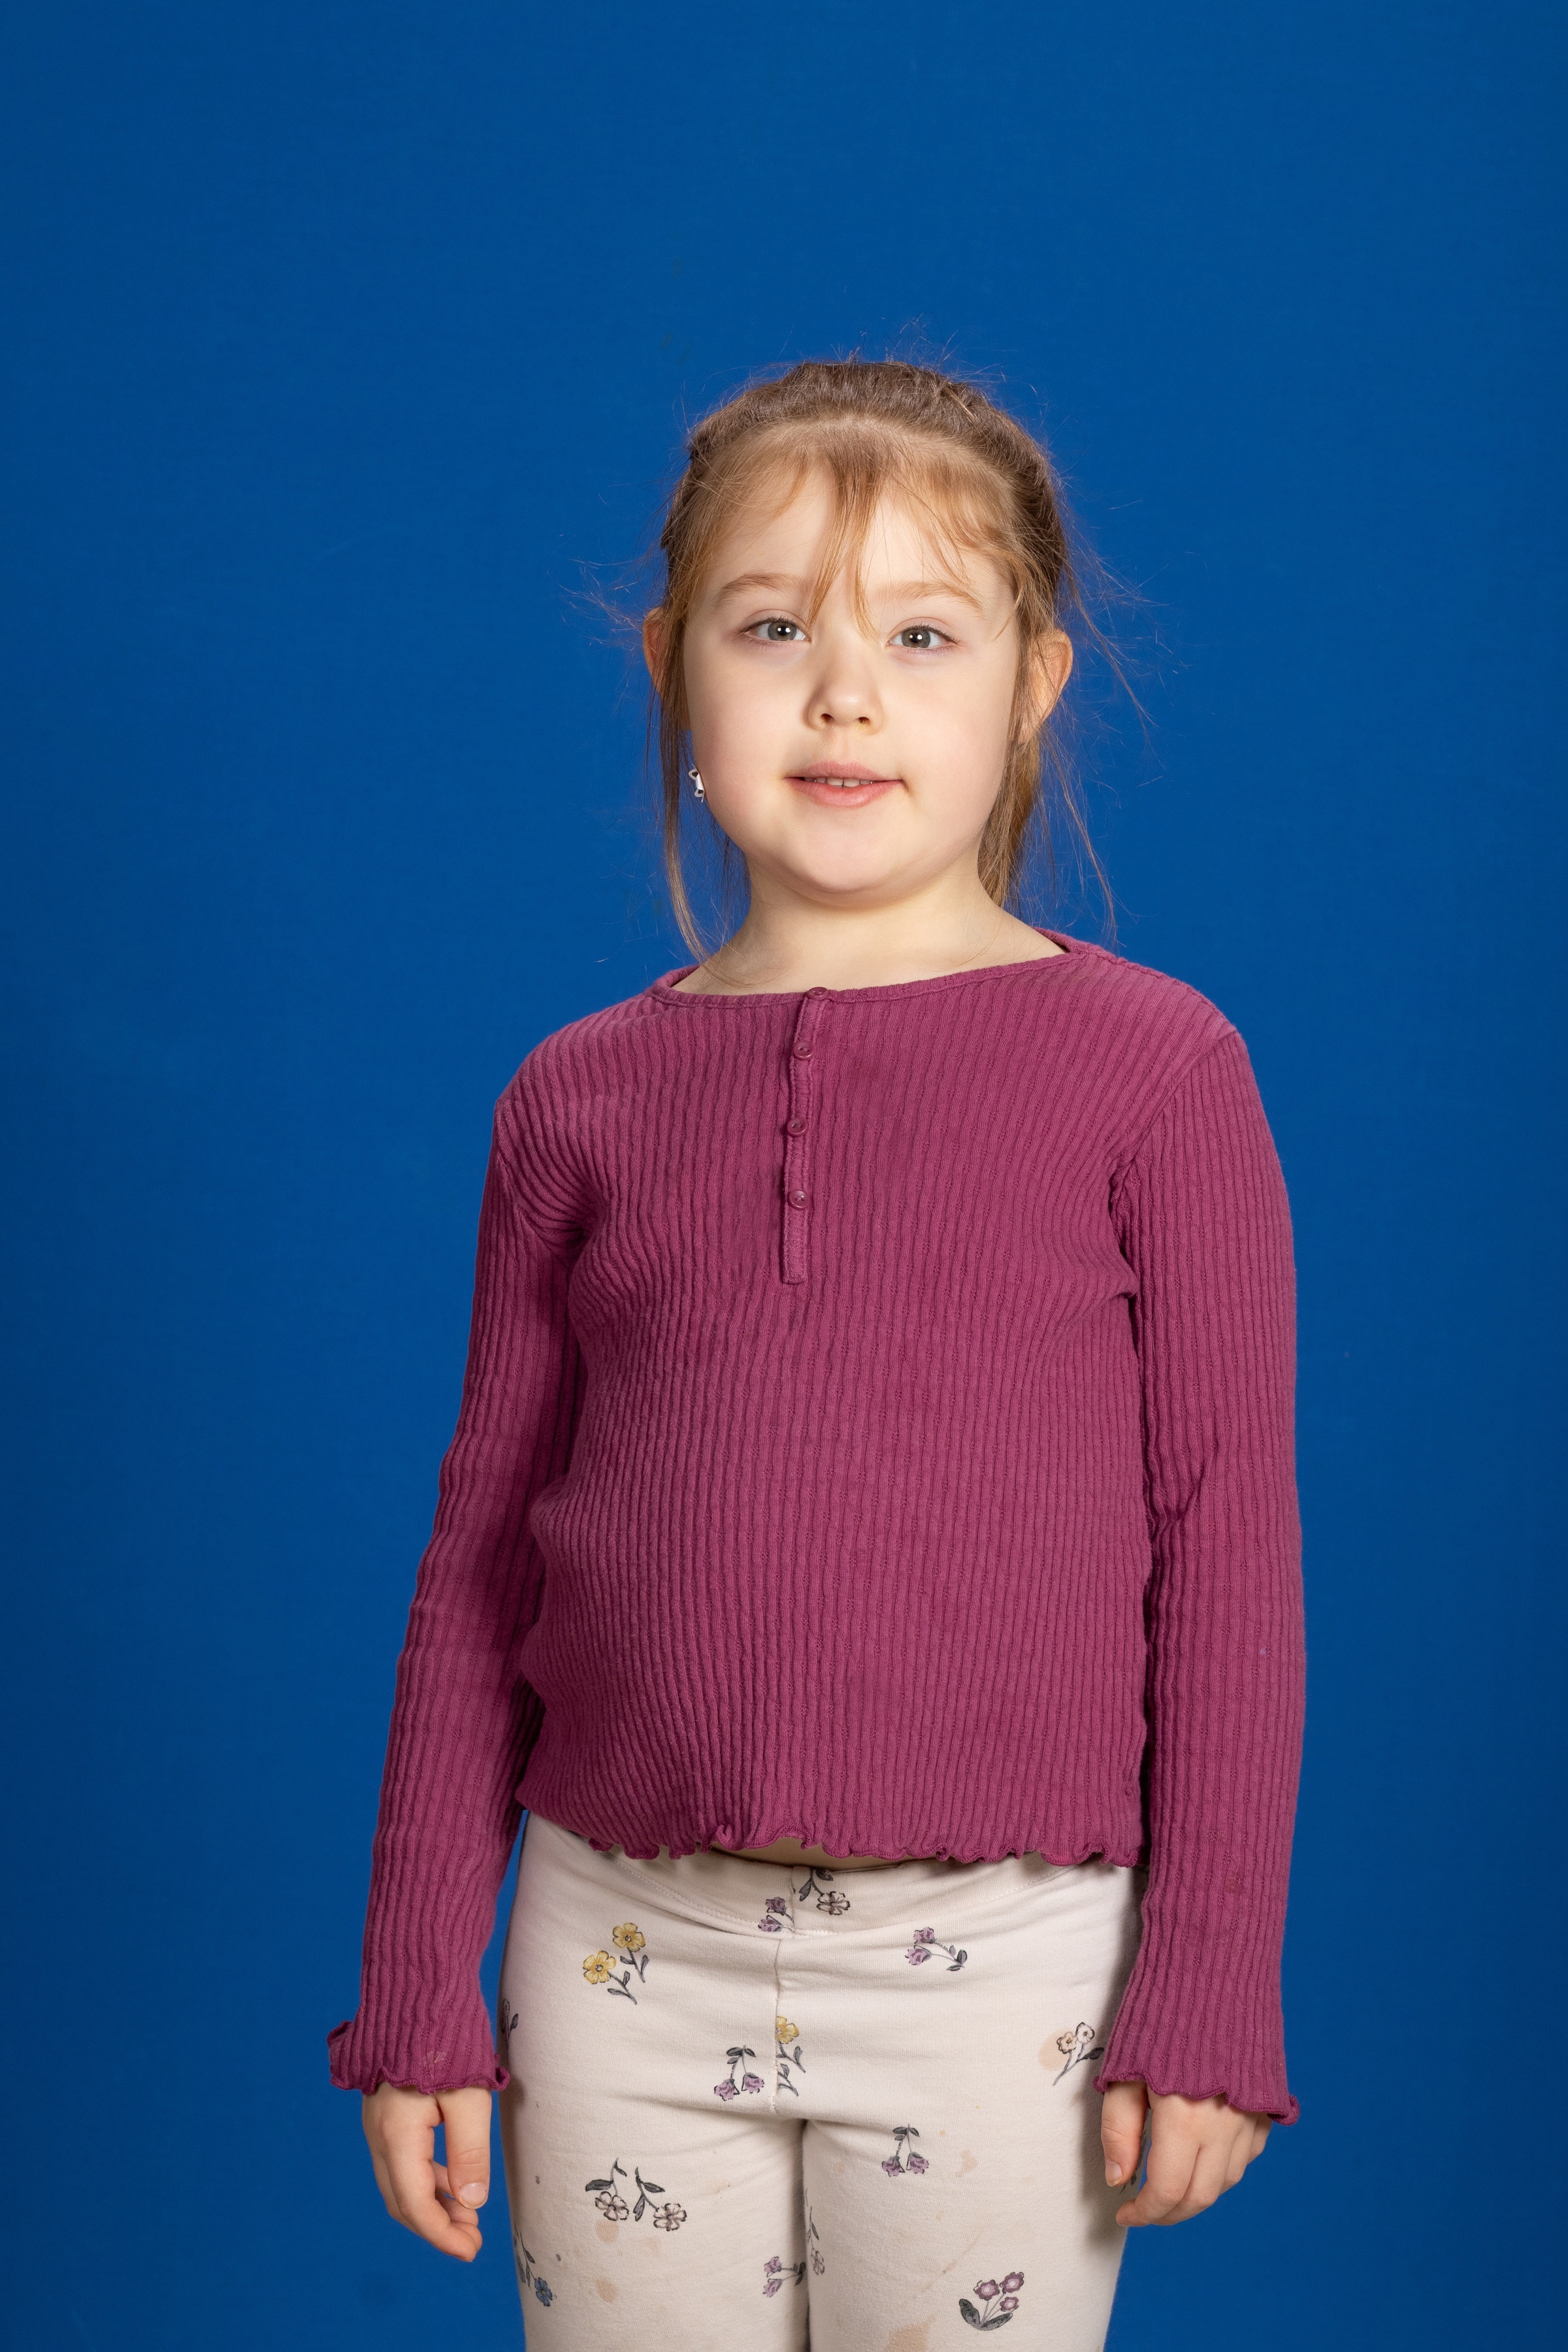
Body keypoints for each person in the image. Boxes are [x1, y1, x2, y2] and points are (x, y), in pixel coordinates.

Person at [328, 358, 1306, 2349]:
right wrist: (419, 1982)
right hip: (618, 1960)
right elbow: (480, 1566)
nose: (845, 697)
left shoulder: (1159, 1072)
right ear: (676, 669)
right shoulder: (577, 1098)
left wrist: (1209, 1983)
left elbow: (1228, 1548)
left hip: (1005, 1970)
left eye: (921, 638)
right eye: (775, 630)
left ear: (1031, 685)